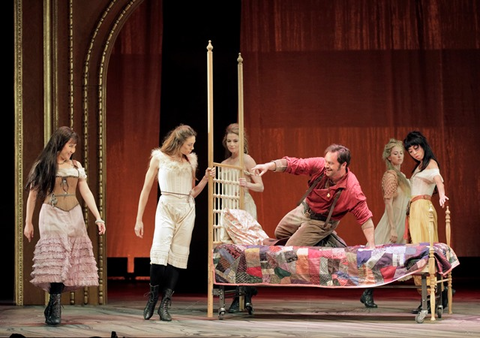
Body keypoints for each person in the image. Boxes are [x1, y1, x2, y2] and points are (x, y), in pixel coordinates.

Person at [23, 126, 106, 326]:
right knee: (57, 261)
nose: (72, 150)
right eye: (70, 146)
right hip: (51, 215)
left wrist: (98, 217)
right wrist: (28, 222)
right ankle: (56, 303)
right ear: (60, 144)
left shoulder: (76, 166)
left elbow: (85, 192)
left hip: (74, 216)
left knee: (68, 261)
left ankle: (53, 301)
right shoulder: (44, 164)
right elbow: (33, 195)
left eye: (74, 146)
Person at [134, 124, 215, 322]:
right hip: (167, 206)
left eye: (193, 145)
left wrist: (205, 179)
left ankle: (165, 304)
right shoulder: (159, 158)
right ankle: (152, 298)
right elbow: (146, 189)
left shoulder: (190, 160)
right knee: (159, 253)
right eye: (189, 145)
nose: (192, 148)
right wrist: (139, 219)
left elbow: (193, 192)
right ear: (179, 143)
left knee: (178, 255)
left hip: (186, 208)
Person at [251, 144, 376, 249]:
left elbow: (365, 218)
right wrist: (269, 165)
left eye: (331, 163)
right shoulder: (320, 165)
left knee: (290, 248)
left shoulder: (352, 188)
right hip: (306, 208)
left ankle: (324, 239)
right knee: (280, 233)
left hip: (322, 221)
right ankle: (321, 240)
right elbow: (295, 164)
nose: (326, 165)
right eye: (326, 161)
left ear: (343, 165)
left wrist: (371, 245)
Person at [360, 138, 411, 308]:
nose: (399, 156)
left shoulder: (402, 176)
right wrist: (393, 227)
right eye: (395, 153)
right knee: (381, 258)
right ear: (389, 157)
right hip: (393, 221)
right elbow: (388, 202)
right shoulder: (391, 175)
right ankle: (367, 291)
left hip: (403, 219)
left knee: (402, 257)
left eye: (401, 153)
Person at [403, 130, 449, 314]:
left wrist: (443, 193)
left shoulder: (430, 163)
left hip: (423, 208)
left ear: (423, 145)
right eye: (411, 151)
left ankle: (432, 295)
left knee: (424, 250)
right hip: (414, 209)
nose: (414, 153)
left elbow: (438, 179)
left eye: (416, 148)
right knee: (417, 250)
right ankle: (429, 295)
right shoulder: (419, 166)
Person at [220, 123, 264, 314]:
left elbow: (260, 186)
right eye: (229, 141)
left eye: (235, 141)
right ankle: (237, 294)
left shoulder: (247, 160)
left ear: (241, 142)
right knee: (230, 253)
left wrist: (247, 183)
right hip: (228, 208)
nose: (231, 144)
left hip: (244, 207)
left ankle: (244, 295)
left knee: (245, 252)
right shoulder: (225, 163)